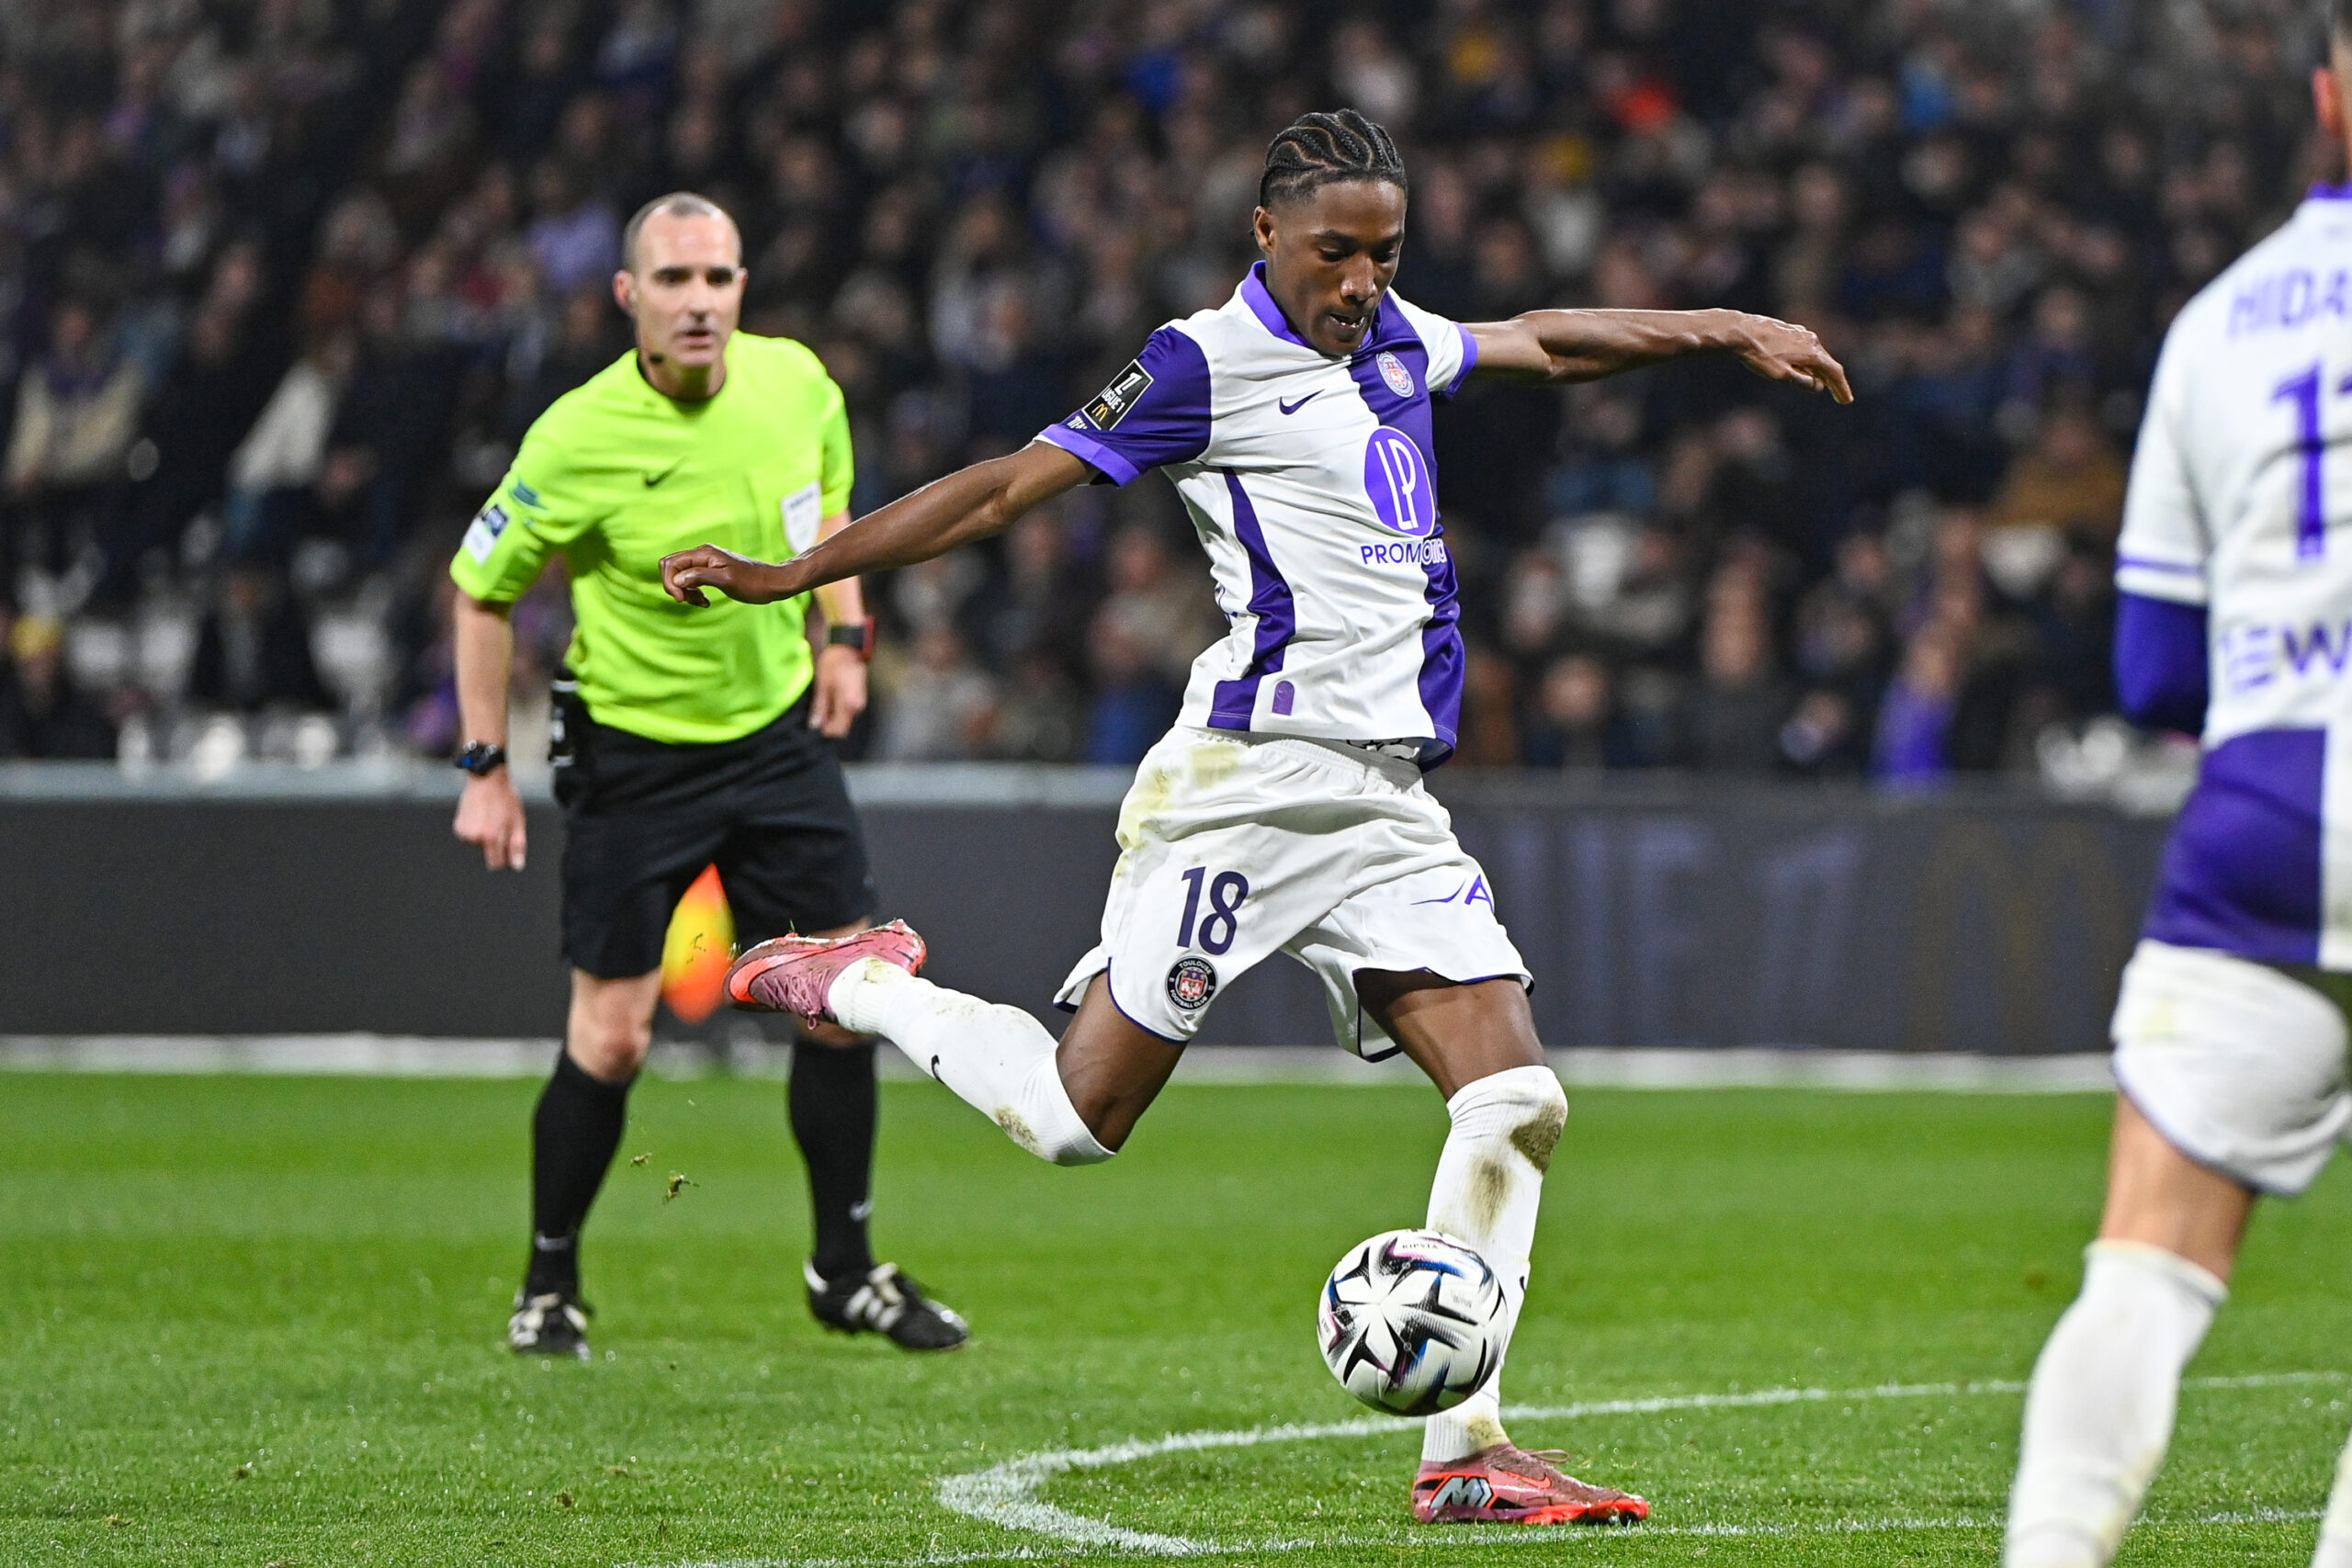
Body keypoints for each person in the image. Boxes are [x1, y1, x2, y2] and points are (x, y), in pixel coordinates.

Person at [662, 111, 1849, 1526]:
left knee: (1516, 1101)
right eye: (1336, 252)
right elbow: (1004, 487)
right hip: (1249, 786)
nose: (1361, 281)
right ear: (1266, 233)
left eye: (1385, 254)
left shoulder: (1395, 337)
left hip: (1387, 801)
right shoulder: (1200, 364)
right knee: (1074, 1119)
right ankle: (860, 979)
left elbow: (1544, 340)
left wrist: (1728, 329)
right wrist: (788, 573)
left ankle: (1465, 1449)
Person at [450, 192, 966, 1362]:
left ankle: (844, 1273)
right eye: (674, 280)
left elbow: (829, 517)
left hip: (775, 742)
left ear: (742, 288)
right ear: (627, 295)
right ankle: (549, 1283)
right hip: (634, 759)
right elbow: (480, 593)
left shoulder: (798, 385)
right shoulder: (575, 436)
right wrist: (483, 764)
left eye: (718, 278)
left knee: (844, 1005)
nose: (698, 301)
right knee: (613, 1039)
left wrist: (847, 637)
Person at [1998, 13, 2352, 1565]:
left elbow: (2152, 671)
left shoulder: (2221, 320)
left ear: (2328, 95)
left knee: (2147, 1263)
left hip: (2264, 820)